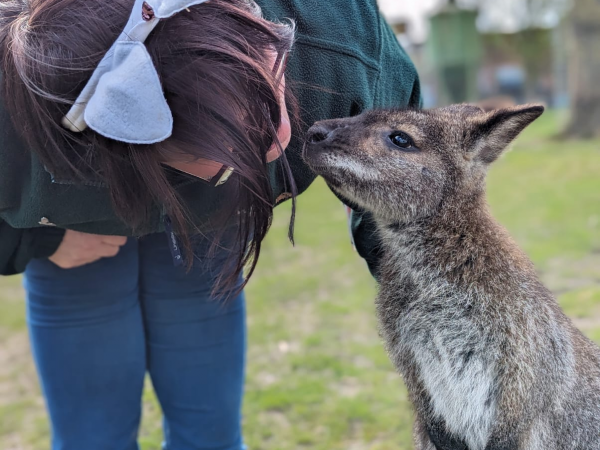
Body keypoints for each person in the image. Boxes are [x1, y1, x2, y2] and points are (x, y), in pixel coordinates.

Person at [0, 0, 420, 449]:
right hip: (81, 226)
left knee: (210, 434)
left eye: (266, 110)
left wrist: (428, 305)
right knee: (91, 437)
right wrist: (35, 242)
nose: (278, 144)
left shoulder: (342, 33)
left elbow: (410, 193)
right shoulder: (13, 106)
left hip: (207, 231)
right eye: (217, 159)